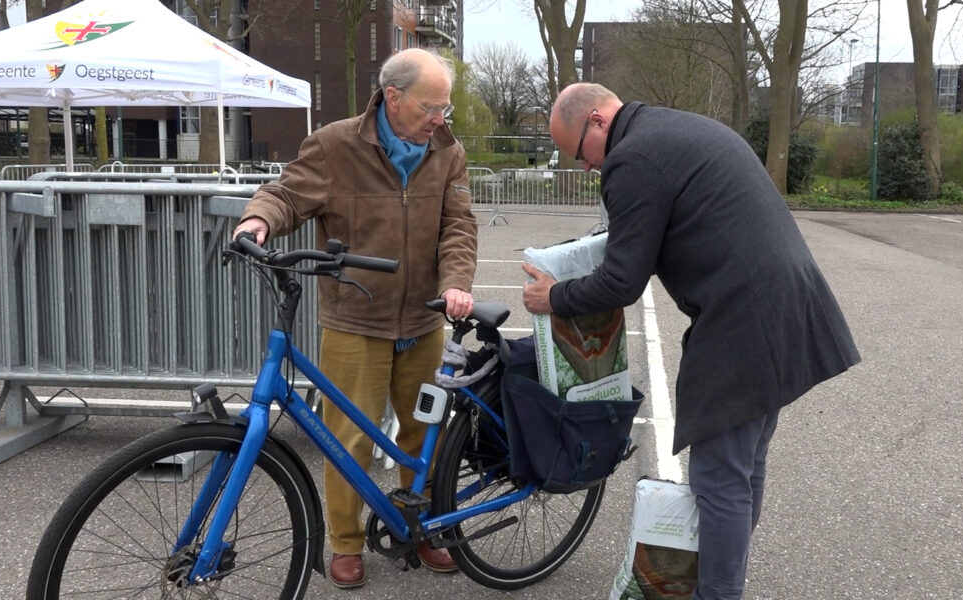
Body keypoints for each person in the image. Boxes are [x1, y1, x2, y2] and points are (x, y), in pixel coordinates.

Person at [522, 83, 860, 599]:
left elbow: (621, 282)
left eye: (580, 155)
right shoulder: (677, 126)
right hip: (785, 302)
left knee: (720, 478)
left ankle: (718, 592)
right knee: (743, 468)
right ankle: (723, 581)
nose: (588, 168)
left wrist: (557, 296)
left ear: (596, 121)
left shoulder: (630, 158)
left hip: (742, 318)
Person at [232, 48, 477, 589]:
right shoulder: (336, 144)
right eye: (431, 107)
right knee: (348, 440)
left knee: (422, 432)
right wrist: (257, 221)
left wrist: (455, 282)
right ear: (393, 98)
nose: (440, 118)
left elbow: (459, 225)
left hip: (423, 317)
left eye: (446, 107)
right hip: (355, 319)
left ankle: (422, 527)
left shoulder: (447, 151)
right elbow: (288, 194)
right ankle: (345, 542)